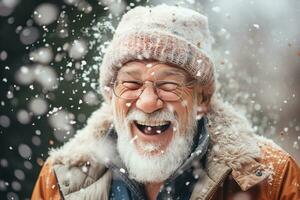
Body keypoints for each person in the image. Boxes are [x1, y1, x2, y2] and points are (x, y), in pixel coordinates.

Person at [32, 4, 300, 200]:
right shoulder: (60, 179)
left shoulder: (271, 179)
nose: (148, 103)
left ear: (202, 99)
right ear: (111, 93)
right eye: (132, 83)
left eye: (169, 84)